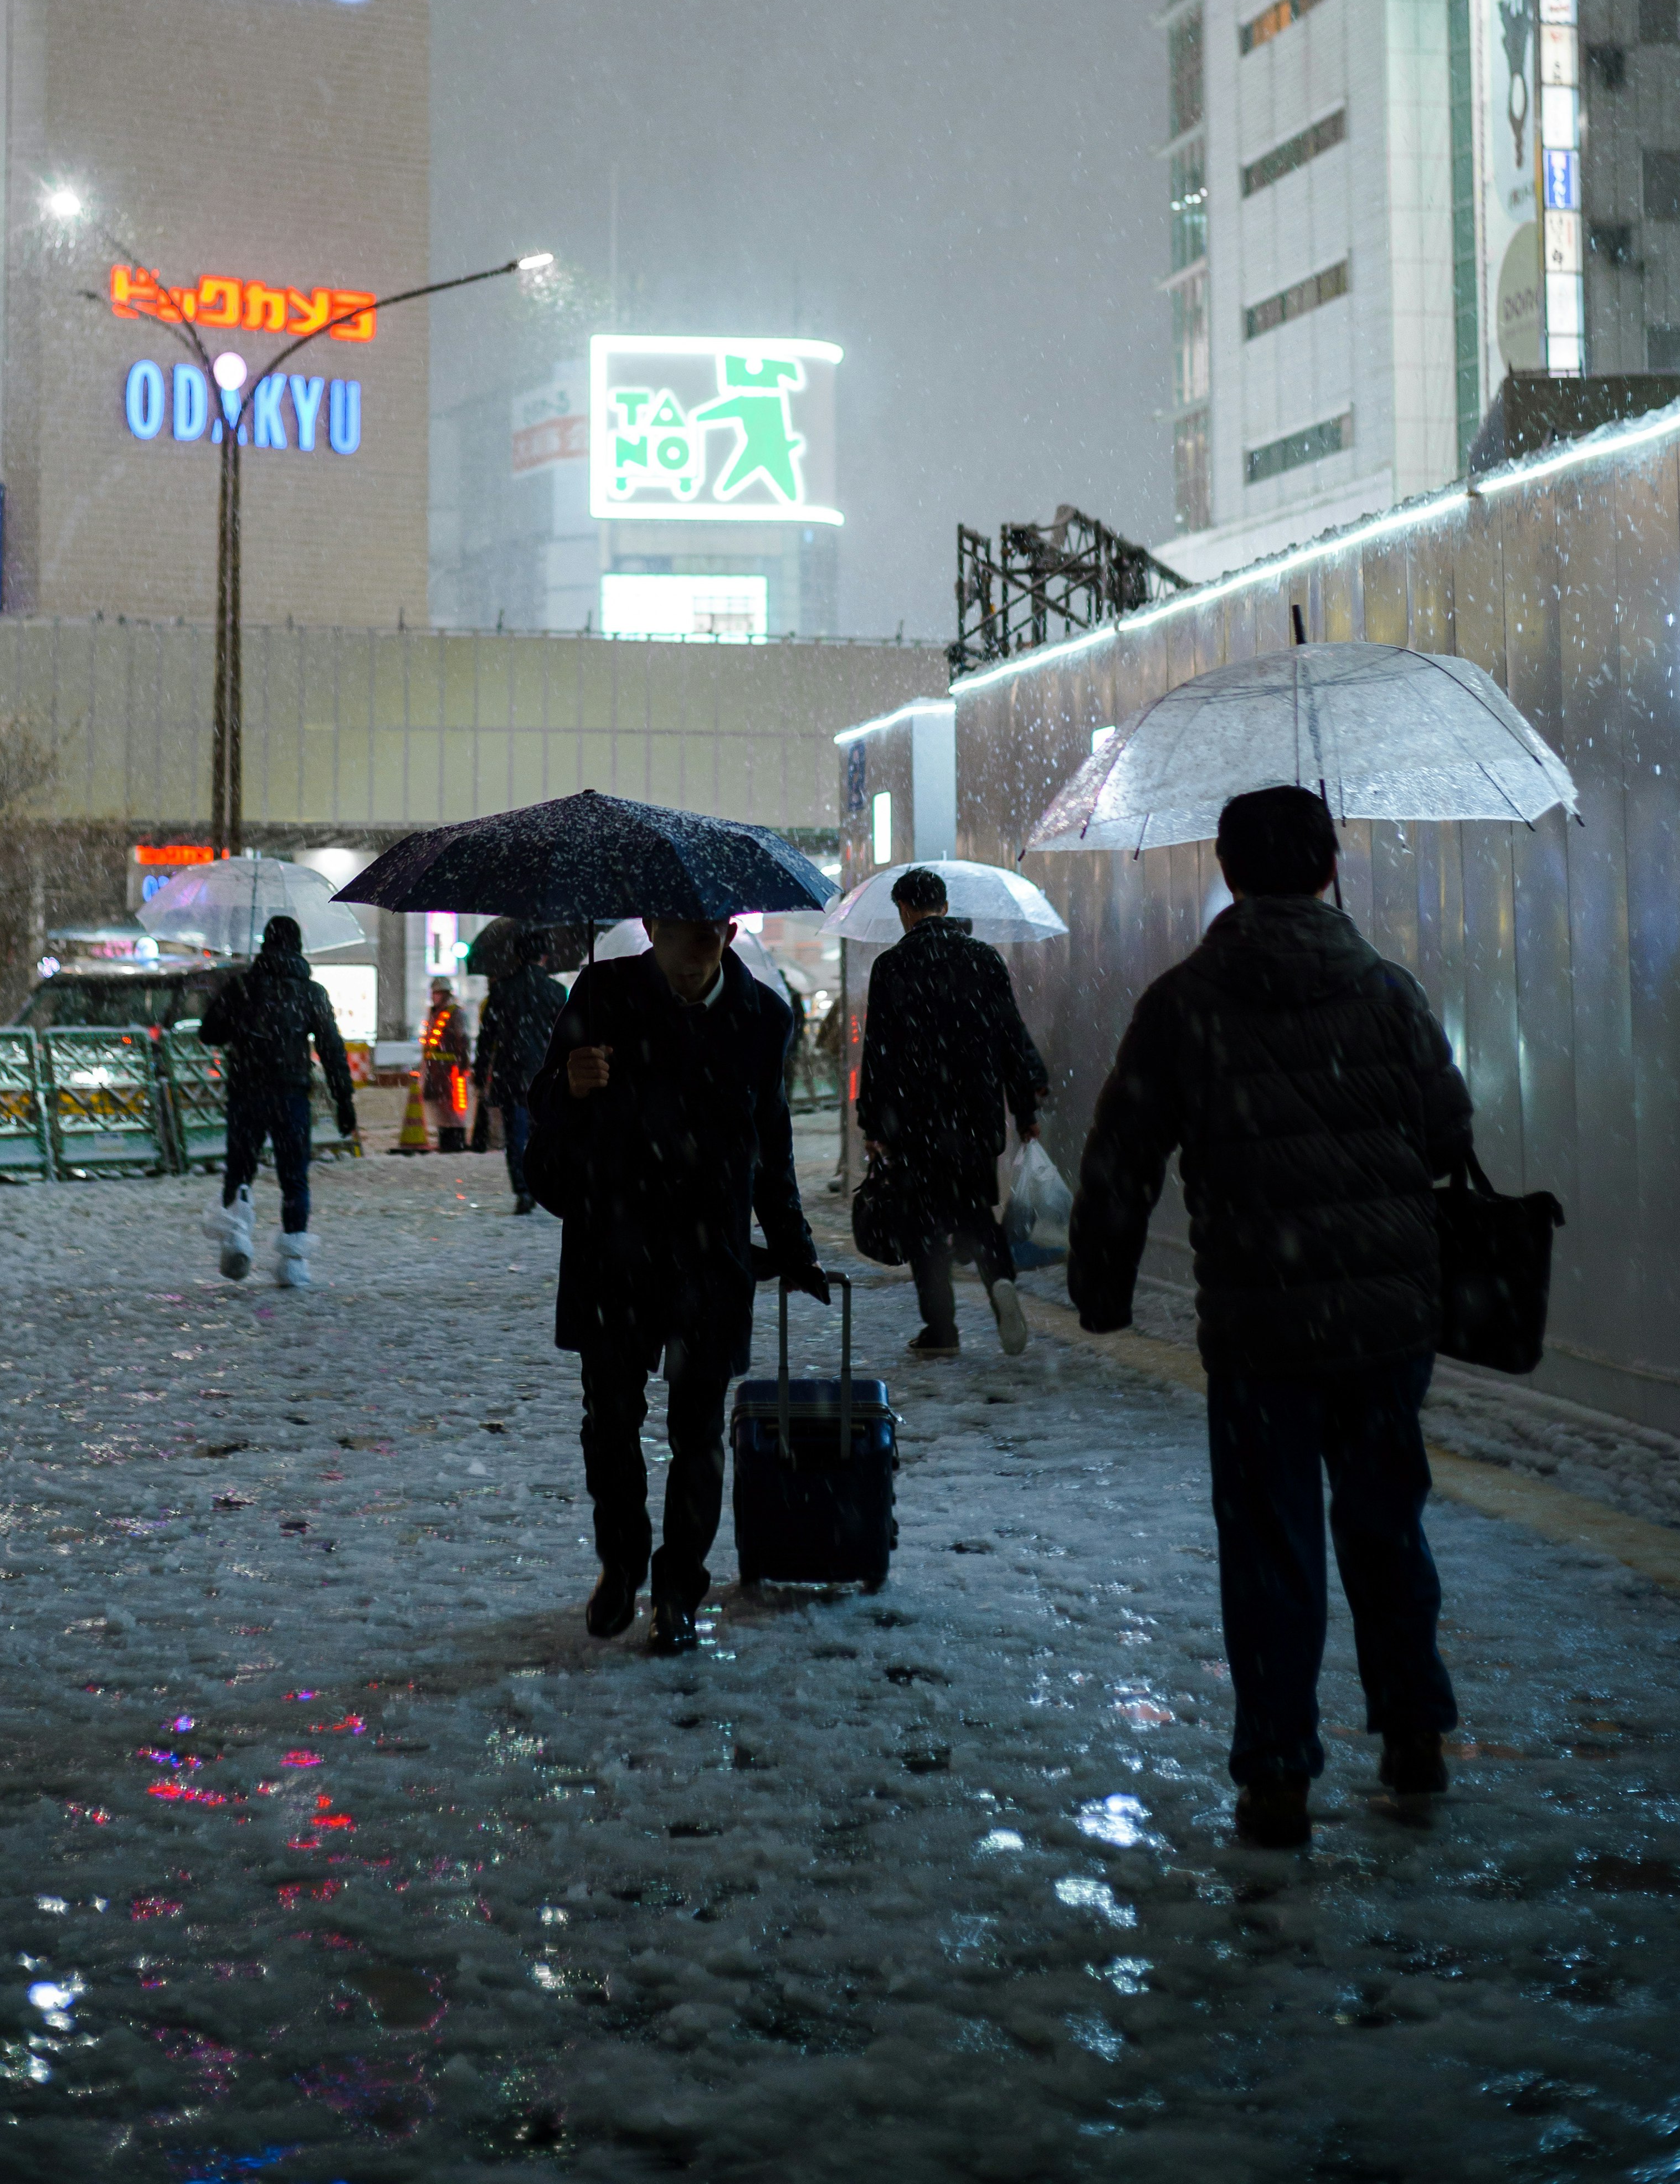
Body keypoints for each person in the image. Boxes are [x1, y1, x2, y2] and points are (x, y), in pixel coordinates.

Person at [1068, 784, 1473, 1849]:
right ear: (1331, 869)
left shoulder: (1186, 1000)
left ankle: (1279, 1774)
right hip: (1387, 1322)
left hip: (1259, 1331)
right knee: (1387, 1527)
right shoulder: (1387, 992)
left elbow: (1120, 1160)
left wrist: (1100, 1289)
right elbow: (1445, 1133)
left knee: (1270, 1548)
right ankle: (1415, 1730)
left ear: (1232, 871)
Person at [525, 915, 830, 1653]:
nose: (695, 956)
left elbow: (772, 1141)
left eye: (709, 939)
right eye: (679, 937)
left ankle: (677, 1590)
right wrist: (569, 1083)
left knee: (697, 1431)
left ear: (728, 933)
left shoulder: (764, 1017)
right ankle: (620, 1565)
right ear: (652, 930)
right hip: (614, 1246)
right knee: (610, 1422)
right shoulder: (602, 991)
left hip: (709, 1255)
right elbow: (541, 1102)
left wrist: (792, 1245)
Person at [857, 866, 1051, 1360]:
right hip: (975, 1118)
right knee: (974, 1214)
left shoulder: (892, 965)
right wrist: (1025, 1104)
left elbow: (879, 1051)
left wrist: (873, 1125)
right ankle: (1001, 1283)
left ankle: (941, 1330)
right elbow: (1010, 1035)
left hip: (915, 1121)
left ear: (905, 909)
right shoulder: (983, 958)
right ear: (944, 906)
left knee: (924, 1228)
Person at [198, 914, 356, 1291]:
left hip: (247, 1090)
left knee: (240, 1168)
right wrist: (343, 1096)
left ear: (266, 944)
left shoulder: (243, 986)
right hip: (291, 1093)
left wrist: (235, 1009)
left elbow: (209, 1033)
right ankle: (293, 1262)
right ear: (298, 947)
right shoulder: (311, 993)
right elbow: (332, 1048)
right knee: (294, 1176)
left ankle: (237, 1238)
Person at [474, 927, 568, 1213]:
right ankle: (547, 1186)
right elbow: (567, 1035)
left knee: (515, 1135)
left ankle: (523, 1190)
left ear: (517, 957)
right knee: (547, 1131)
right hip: (546, 1073)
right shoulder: (556, 991)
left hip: (510, 1073)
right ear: (545, 957)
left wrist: (480, 1072)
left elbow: (487, 1036)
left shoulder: (501, 990)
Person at [422, 976, 473, 1152]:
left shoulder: (456, 1013)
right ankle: (447, 1140)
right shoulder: (435, 1014)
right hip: (437, 1071)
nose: (434, 996)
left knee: (455, 1108)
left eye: (437, 993)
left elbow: (463, 1039)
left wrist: (463, 1065)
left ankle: (455, 1141)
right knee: (441, 1107)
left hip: (452, 1070)